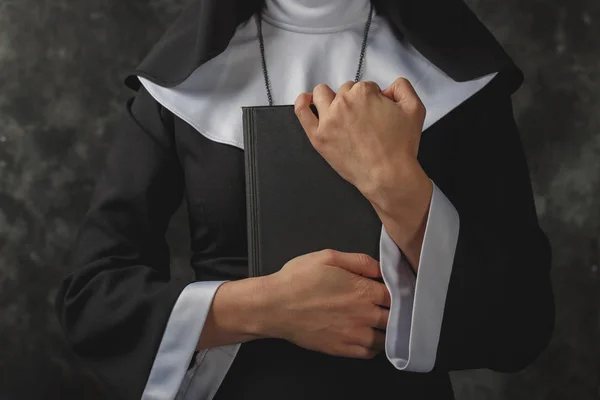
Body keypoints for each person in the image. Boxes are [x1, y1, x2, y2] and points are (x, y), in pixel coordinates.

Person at [54, 0, 555, 399]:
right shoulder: (177, 87)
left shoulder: (461, 81)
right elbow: (94, 302)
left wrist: (393, 181)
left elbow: (521, 322)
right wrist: (268, 307)